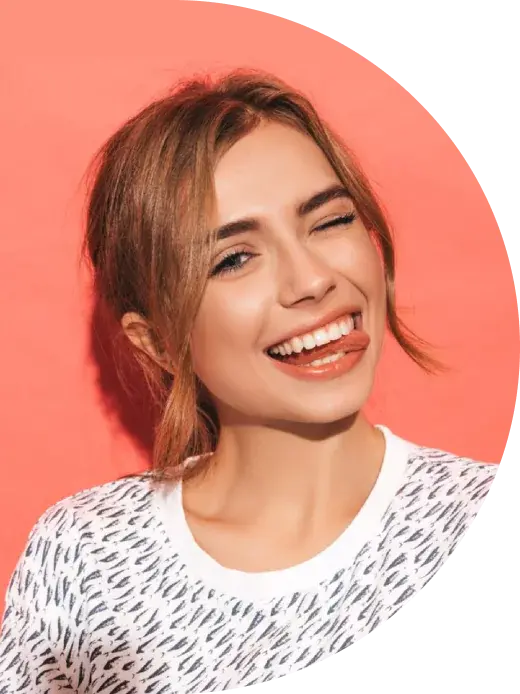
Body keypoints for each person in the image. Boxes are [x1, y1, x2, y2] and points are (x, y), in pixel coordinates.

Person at [0, 69, 502, 692]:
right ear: (157, 341)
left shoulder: (469, 515)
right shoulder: (86, 561)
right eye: (234, 258)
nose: (312, 280)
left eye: (330, 221)